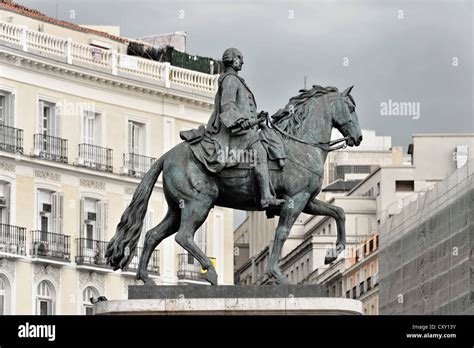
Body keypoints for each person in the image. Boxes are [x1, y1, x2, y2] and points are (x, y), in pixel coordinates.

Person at [181, 48, 285, 209]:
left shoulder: (237, 80)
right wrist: (241, 121)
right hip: (235, 132)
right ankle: (266, 197)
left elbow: (241, 108)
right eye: (239, 58)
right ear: (231, 59)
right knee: (260, 152)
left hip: (245, 128)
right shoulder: (230, 80)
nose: (242, 61)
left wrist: (256, 116)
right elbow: (227, 106)